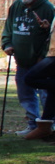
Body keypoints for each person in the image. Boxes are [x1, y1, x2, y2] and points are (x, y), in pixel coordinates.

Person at [1, 0, 55, 136]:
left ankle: (49, 124)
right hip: (21, 59)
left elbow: (51, 38)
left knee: (46, 93)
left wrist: (42, 55)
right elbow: (8, 28)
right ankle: (33, 124)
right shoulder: (16, 6)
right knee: (25, 93)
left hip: (42, 60)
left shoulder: (48, 8)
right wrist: (7, 44)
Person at [22, 11, 55, 140]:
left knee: (31, 78)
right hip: (51, 53)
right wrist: (48, 28)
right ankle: (45, 126)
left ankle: (45, 126)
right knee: (52, 89)